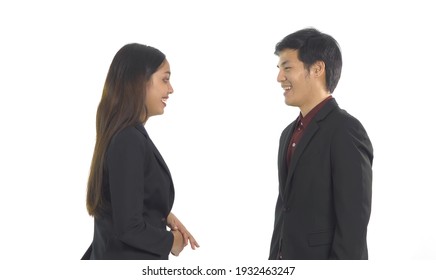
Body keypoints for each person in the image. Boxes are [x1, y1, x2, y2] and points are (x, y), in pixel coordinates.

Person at [81, 43, 199, 260]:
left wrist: (162, 214)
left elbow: (121, 203)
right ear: (139, 83)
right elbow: (128, 229)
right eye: (165, 79)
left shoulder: (126, 135)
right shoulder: (128, 139)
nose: (171, 89)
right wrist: (173, 241)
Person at [269, 28, 373, 260]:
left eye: (287, 68)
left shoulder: (346, 130)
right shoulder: (288, 133)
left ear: (317, 69)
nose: (279, 78)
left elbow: (353, 226)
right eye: (279, 69)